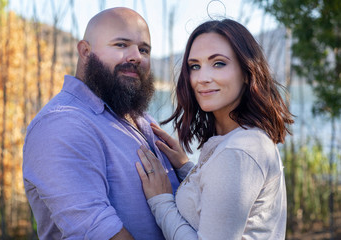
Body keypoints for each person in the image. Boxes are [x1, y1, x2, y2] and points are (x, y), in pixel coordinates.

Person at [22, 7, 180, 240]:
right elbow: (101, 234)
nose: (136, 55)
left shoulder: (139, 118)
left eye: (144, 49)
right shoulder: (61, 125)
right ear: (85, 51)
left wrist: (187, 168)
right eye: (121, 45)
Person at [135, 19, 294, 240]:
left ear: (247, 72)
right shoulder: (241, 140)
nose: (202, 78)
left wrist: (161, 202)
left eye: (218, 63)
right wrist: (187, 169)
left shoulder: (238, 152)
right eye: (194, 66)